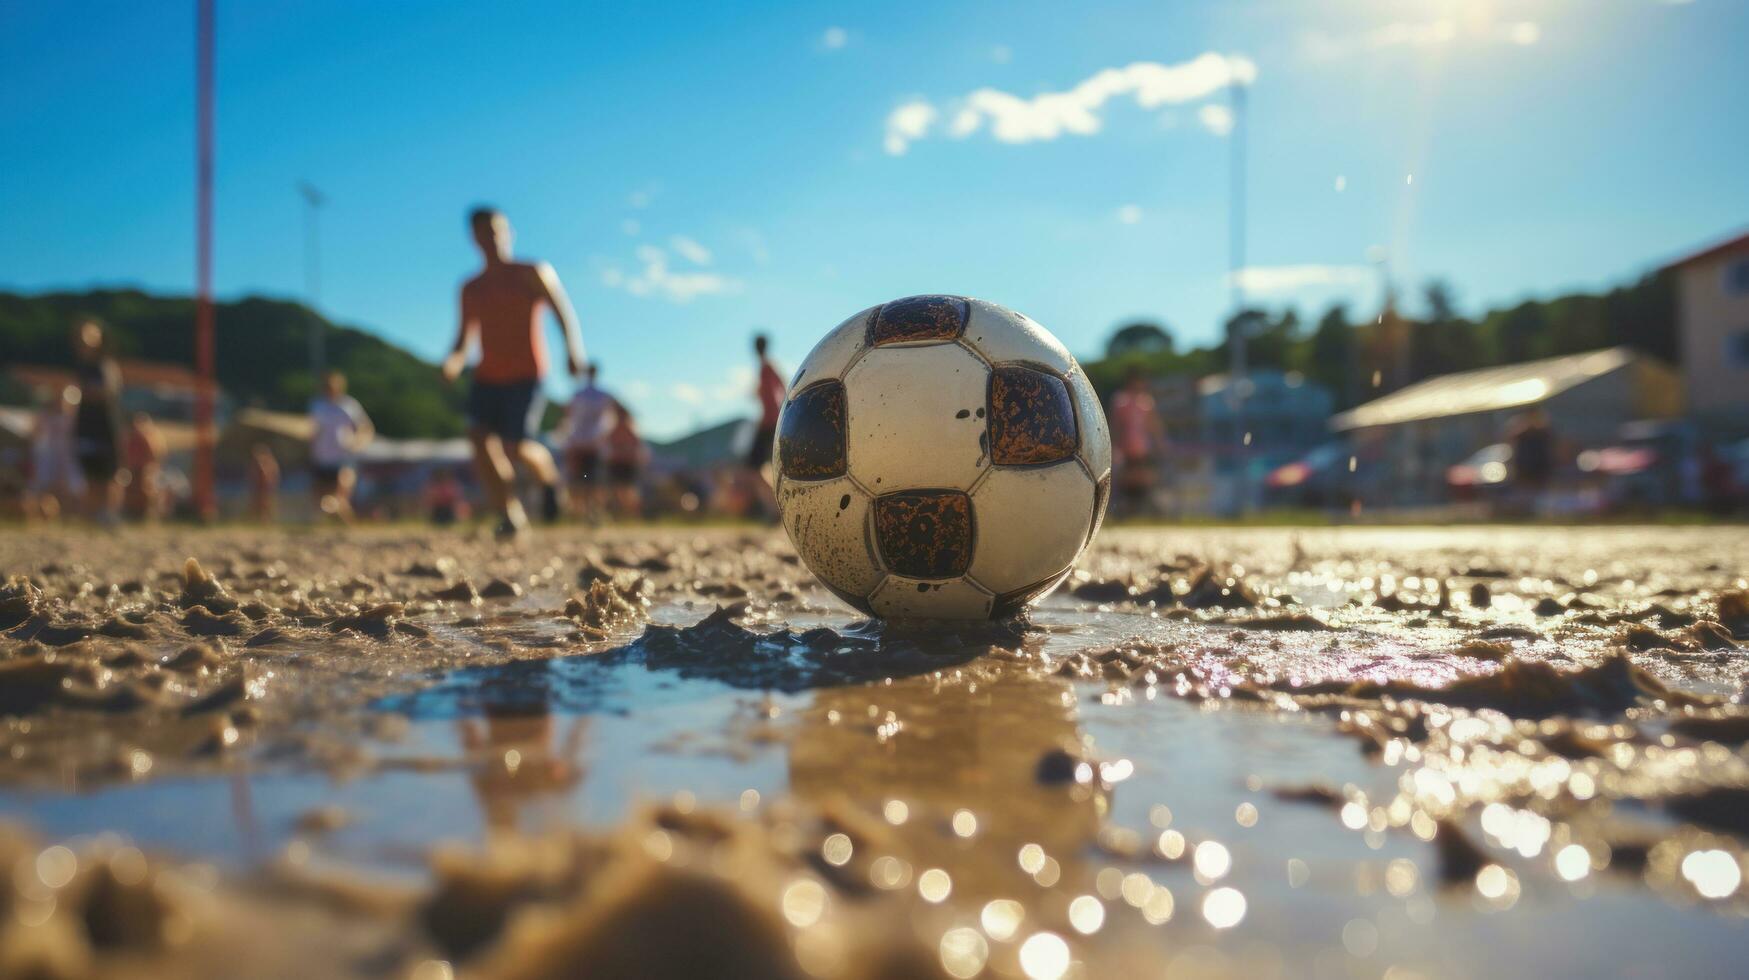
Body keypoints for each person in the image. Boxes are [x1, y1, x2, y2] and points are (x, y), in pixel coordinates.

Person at [442, 206, 586, 537]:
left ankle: (547, 475)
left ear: (508, 232)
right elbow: (464, 337)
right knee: (479, 438)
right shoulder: (471, 287)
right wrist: (453, 362)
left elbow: (562, 311)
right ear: (473, 238)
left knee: (517, 445)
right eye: (482, 232)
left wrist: (573, 352)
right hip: (487, 376)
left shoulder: (531, 272)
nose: (490, 238)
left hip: (526, 373)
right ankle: (509, 513)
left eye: (495, 230)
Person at [70, 318, 124, 523]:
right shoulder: (82, 367)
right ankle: (92, 517)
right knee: (90, 474)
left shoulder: (105, 365)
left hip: (105, 428)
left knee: (110, 474)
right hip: (86, 428)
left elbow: (108, 391)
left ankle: (108, 515)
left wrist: (87, 393)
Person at [310, 370, 374, 522]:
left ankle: (346, 524)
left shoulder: (349, 405)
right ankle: (334, 523)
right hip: (321, 458)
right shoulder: (317, 405)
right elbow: (311, 429)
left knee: (341, 495)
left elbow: (366, 427)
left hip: (343, 457)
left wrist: (357, 442)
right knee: (323, 501)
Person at [562, 362, 614, 522]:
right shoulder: (601, 395)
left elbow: (568, 416)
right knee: (589, 479)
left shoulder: (579, 394)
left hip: (583, 442)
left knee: (585, 479)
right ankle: (590, 512)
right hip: (590, 443)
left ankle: (589, 512)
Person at [1110, 367, 1166, 515]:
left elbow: (1153, 425)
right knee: (1128, 481)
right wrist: (1114, 447)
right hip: (1126, 449)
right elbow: (1116, 426)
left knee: (1145, 479)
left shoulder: (1146, 402)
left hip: (1143, 449)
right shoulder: (1121, 402)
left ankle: (1146, 510)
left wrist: (1160, 443)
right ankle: (1124, 511)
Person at [27, 386, 84, 522]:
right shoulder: (45, 416)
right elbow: (35, 433)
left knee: (69, 485)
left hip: (66, 454)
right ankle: (42, 514)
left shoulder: (72, 417)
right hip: (48, 453)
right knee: (44, 484)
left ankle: (70, 515)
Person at [746, 333, 785, 516]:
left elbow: (781, 385)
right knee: (760, 467)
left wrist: (785, 406)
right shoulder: (765, 366)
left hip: (769, 422)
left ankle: (774, 508)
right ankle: (774, 508)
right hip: (770, 420)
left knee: (754, 467)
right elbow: (779, 386)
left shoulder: (766, 366)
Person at [603, 399, 647, 519]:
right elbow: (606, 445)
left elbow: (637, 447)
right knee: (617, 489)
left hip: (627, 463)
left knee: (628, 490)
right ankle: (621, 515)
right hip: (616, 463)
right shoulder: (613, 430)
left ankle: (632, 515)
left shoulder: (630, 430)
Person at [1508, 407, 1556, 515]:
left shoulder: (1544, 429)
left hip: (1540, 464)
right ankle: (1522, 511)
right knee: (1524, 490)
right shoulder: (1520, 428)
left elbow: (1551, 444)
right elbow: (1511, 440)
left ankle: (1539, 511)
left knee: (1539, 490)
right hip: (1525, 464)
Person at [121, 412, 167, 521]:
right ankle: (133, 511)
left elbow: (156, 457)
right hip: (133, 470)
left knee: (147, 486)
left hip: (146, 470)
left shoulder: (152, 438)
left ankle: (149, 513)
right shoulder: (129, 437)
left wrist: (148, 470)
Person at [248, 443, 280, 522]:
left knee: (266, 502)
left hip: (265, 485)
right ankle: (259, 518)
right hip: (260, 485)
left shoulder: (269, 463)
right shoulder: (258, 463)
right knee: (259, 501)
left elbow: (274, 474)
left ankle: (265, 518)